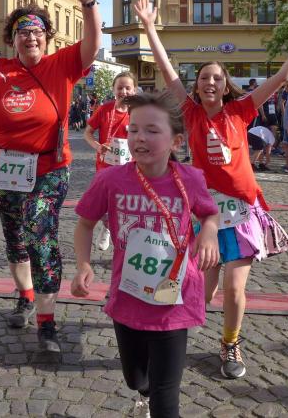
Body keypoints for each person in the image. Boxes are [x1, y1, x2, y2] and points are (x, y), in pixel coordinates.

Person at [135, 0, 288, 379]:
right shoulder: (191, 113)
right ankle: (176, 333)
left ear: (225, 84)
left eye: (216, 77)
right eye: (203, 78)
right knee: (201, 289)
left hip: (242, 211)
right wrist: (148, 26)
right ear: (196, 87)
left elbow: (283, 73)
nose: (210, 82)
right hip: (206, 216)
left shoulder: (241, 110)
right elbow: (165, 69)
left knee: (233, 288)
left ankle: (230, 344)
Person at [0, 0, 101, 352]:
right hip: (5, 170)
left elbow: (92, 44)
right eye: (23, 32)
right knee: (15, 237)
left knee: (41, 236)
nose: (30, 37)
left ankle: (47, 323)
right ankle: (26, 297)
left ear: (47, 37)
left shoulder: (62, 64)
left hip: (49, 168)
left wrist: (89, 3)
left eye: (37, 32)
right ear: (13, 39)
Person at [72, 91, 219, 417]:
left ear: (176, 141)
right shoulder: (110, 180)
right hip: (129, 297)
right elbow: (84, 224)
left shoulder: (190, 179)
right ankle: (144, 391)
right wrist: (83, 265)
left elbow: (210, 213)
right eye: (134, 129)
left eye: (152, 130)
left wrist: (209, 233)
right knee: (136, 378)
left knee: (167, 395)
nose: (139, 137)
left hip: (173, 299)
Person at [83, 71, 138, 251]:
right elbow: (87, 133)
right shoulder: (105, 109)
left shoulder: (138, 112)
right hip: (105, 166)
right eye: (120, 87)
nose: (124, 91)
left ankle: (121, 240)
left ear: (134, 90)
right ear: (114, 89)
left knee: (124, 206)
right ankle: (107, 226)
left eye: (128, 88)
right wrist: (97, 146)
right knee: (101, 205)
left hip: (130, 167)